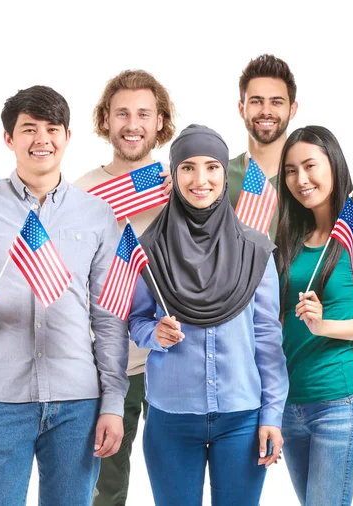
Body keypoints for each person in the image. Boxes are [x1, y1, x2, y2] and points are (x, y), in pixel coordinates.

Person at [0, 85, 129, 506]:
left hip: (77, 402)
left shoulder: (97, 215)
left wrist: (112, 401)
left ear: (67, 137)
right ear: (8, 139)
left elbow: (109, 316)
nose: (42, 139)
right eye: (29, 129)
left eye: (52, 129)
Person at [128, 124, 289, 506]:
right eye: (187, 168)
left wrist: (272, 415)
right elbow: (135, 322)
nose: (201, 179)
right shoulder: (147, 249)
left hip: (243, 418)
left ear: (224, 173)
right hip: (171, 416)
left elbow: (267, 340)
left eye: (212, 167)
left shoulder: (256, 251)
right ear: (174, 174)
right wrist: (155, 334)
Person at [274, 125, 353, 506]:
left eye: (310, 166)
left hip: (337, 405)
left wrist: (323, 325)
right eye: (291, 170)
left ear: (334, 165)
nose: (301, 179)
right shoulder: (289, 238)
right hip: (289, 407)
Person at [75, 69, 175, 506]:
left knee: (176, 482)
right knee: (107, 485)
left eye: (143, 114)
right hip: (110, 362)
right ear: (106, 120)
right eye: (121, 114)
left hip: (178, 356)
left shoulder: (185, 181)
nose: (132, 124)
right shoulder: (80, 193)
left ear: (159, 122)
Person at [229, 54, 298, 238]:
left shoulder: (308, 178)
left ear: (292, 110)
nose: (266, 111)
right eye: (256, 101)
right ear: (241, 108)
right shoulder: (218, 177)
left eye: (276, 102)